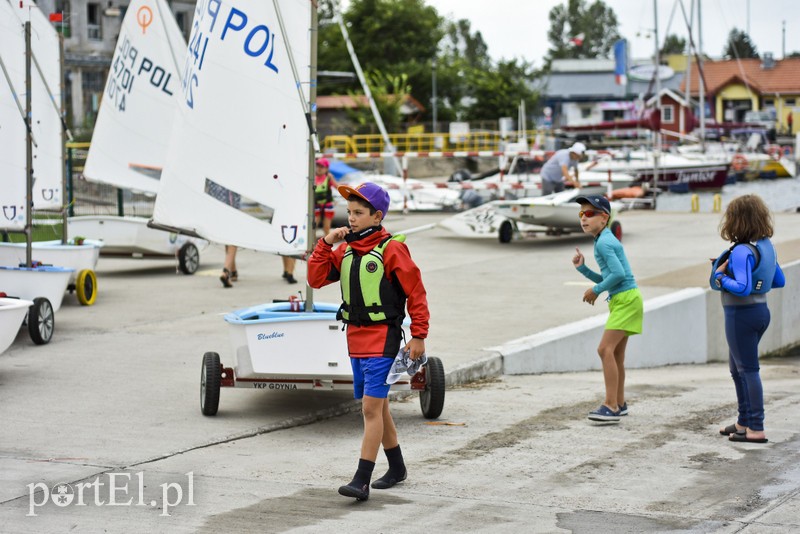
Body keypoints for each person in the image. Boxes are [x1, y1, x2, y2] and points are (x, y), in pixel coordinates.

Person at [307, 181, 430, 501]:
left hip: (383, 340)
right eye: (349, 212)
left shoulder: (393, 249)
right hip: (356, 340)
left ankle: (362, 479)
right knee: (379, 407)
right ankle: (397, 467)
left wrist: (419, 335)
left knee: (370, 409)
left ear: (377, 216)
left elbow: (416, 293)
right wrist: (325, 242)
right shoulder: (346, 249)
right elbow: (315, 278)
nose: (351, 218)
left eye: (359, 213)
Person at [711, 194, 785, 444]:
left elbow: (741, 287)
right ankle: (744, 421)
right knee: (737, 369)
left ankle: (756, 427)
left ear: (736, 221)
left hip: (740, 315)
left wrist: (721, 277)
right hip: (761, 312)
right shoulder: (766, 246)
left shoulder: (742, 251)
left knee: (748, 370)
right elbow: (779, 280)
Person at [571, 194, 643, 422]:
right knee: (617, 354)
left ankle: (610, 405)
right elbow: (611, 275)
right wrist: (584, 270)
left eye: (590, 213)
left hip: (626, 300)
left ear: (605, 218)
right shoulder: (604, 240)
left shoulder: (604, 242)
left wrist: (596, 290)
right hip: (625, 298)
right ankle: (619, 403)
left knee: (605, 350)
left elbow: (619, 275)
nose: (584, 218)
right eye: (581, 214)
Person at [314, 158, 339, 235]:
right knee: (313, 226)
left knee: (326, 227)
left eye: (322, 167)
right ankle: (313, 244)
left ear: (326, 168)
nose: (319, 168)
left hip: (327, 205)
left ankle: (327, 243)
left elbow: (337, 187)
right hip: (316, 205)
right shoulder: (312, 177)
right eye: (318, 166)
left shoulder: (329, 177)